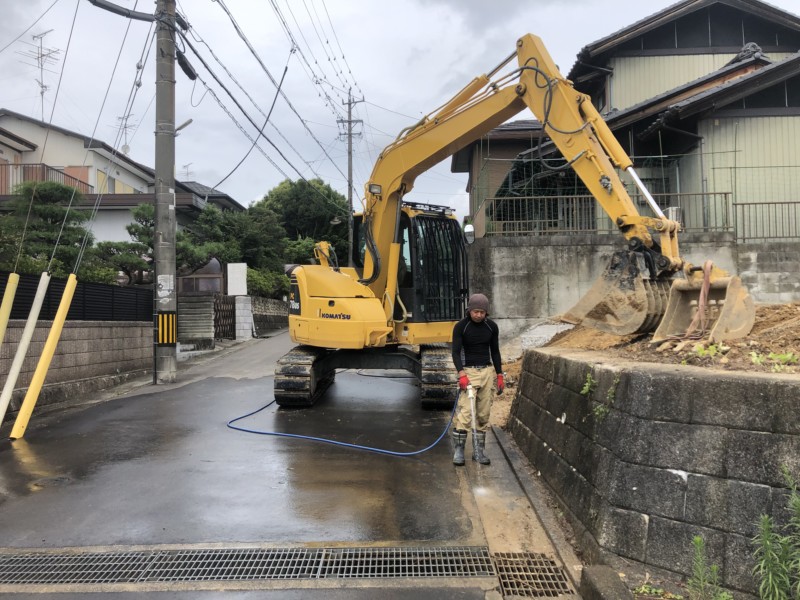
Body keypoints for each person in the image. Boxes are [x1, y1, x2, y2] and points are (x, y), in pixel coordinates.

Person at [450, 293, 504, 466]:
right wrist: (461, 374)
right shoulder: (461, 327)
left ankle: (479, 452)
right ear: (469, 310)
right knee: (466, 412)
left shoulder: (492, 327)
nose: (479, 315)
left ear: (486, 312)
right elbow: (455, 352)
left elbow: (495, 351)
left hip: (487, 372)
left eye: (482, 312)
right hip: (469, 372)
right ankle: (459, 451)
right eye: (475, 312)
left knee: (483, 414)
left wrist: (500, 374)